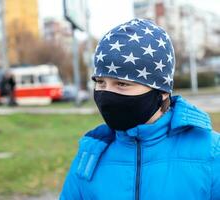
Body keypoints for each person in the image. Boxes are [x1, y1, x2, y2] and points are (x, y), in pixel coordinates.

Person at [60, 18, 220, 199]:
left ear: (162, 91)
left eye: (121, 83)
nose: (106, 94)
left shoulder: (211, 152)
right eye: (100, 82)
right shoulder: (91, 154)